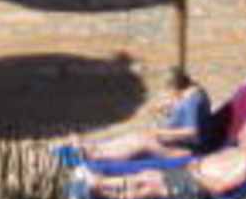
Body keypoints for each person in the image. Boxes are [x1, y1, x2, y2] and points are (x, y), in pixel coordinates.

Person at [86, 113, 246, 199]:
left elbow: (221, 187)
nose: (241, 135)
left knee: (150, 181)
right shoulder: (236, 150)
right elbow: (210, 160)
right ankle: (101, 190)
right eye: (243, 132)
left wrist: (197, 174)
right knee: (149, 184)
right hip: (193, 177)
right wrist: (196, 164)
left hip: (200, 188)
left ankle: (100, 183)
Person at [77, 68, 212, 163]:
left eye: (169, 91)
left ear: (176, 88)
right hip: (173, 141)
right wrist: (169, 108)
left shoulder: (192, 101)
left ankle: (94, 156)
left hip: (185, 150)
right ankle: (94, 148)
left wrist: (160, 132)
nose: (167, 95)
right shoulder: (190, 92)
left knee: (141, 143)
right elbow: (182, 111)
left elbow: (192, 132)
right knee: (135, 136)